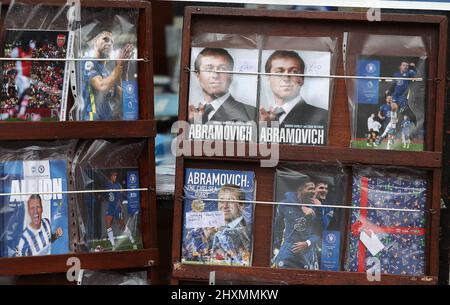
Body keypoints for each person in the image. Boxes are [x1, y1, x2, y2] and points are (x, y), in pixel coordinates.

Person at [260, 50, 328, 128]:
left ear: (302, 79)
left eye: (294, 72)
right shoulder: (260, 118)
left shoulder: (322, 116)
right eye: (279, 72)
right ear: (268, 79)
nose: (286, 78)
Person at [189, 48, 256, 123]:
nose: (215, 75)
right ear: (197, 74)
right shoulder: (189, 114)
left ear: (231, 75)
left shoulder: (252, 114)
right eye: (208, 69)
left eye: (223, 69)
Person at [83, 28, 134, 121]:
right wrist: (119, 66)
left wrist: (124, 72)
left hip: (107, 121)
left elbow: (124, 97)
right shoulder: (88, 62)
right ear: (95, 41)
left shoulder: (107, 72)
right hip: (92, 121)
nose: (109, 43)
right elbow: (102, 86)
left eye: (112, 41)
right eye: (105, 39)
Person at [272, 180, 322, 270]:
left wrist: (307, 243)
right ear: (300, 190)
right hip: (288, 249)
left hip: (307, 251)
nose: (313, 192)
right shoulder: (285, 205)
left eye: (314, 189)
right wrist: (276, 247)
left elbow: (318, 233)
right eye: (310, 188)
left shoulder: (315, 207)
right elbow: (277, 227)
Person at [210, 184, 251, 265]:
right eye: (221, 201)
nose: (225, 206)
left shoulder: (250, 230)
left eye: (231, 201)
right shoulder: (212, 231)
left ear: (241, 205)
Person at [104, 170, 137, 250]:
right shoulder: (107, 184)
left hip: (117, 207)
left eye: (116, 176)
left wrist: (121, 204)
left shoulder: (118, 185)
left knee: (122, 226)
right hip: (110, 207)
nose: (115, 177)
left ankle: (133, 241)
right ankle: (113, 245)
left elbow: (121, 196)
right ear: (110, 176)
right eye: (114, 175)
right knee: (108, 225)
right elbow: (105, 194)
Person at [386, 61, 417, 125]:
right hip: (395, 95)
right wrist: (389, 93)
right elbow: (393, 85)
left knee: (405, 111)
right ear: (400, 67)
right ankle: (393, 124)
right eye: (403, 65)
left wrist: (413, 67)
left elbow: (417, 75)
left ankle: (413, 119)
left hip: (403, 96)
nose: (405, 66)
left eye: (406, 65)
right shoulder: (396, 74)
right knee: (394, 108)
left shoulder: (409, 73)